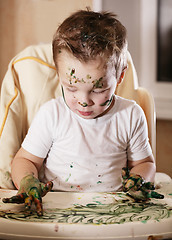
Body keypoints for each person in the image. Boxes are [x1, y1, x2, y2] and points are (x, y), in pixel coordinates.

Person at [3, 10, 160, 216]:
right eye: (71, 88)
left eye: (98, 89)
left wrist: (139, 181)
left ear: (120, 76)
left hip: (114, 210)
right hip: (55, 209)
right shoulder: (52, 115)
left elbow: (144, 163)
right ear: (58, 74)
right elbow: (25, 161)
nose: (84, 101)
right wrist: (27, 181)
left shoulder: (130, 115)